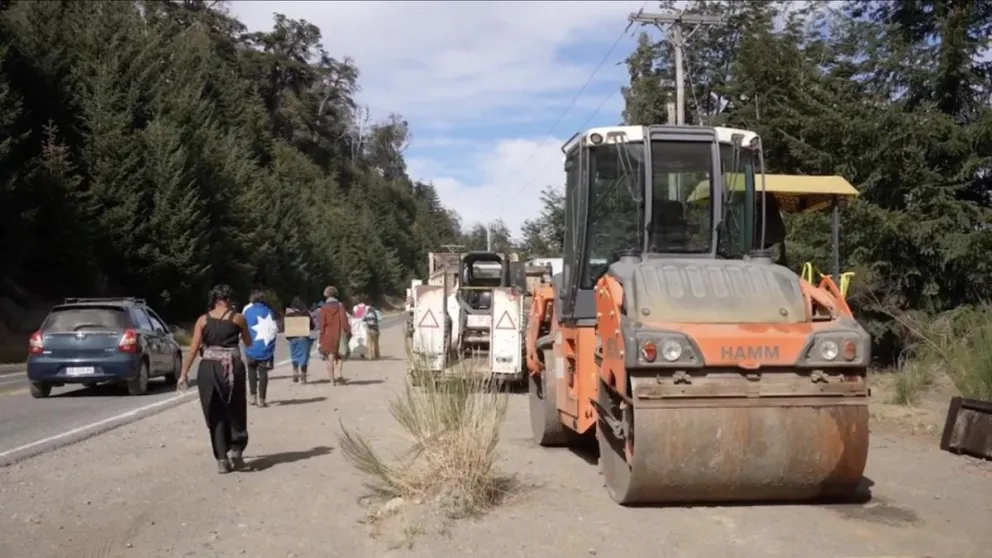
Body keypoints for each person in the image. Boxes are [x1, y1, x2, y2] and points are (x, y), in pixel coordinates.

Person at [178, 284, 254, 474]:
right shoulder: (238, 318)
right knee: (236, 408)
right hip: (232, 368)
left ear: (214, 300)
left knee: (214, 411)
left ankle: (221, 459)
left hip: (208, 368)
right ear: (229, 300)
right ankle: (236, 450)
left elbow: (194, 349)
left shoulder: (202, 320)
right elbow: (248, 342)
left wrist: (183, 373)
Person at [243, 289, 278, 407]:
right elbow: (274, 330)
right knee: (263, 373)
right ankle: (262, 399)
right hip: (264, 346)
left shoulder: (247, 312)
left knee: (251, 371)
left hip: (250, 346)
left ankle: (252, 396)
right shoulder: (269, 311)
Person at [318, 285, 351, 385]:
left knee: (330, 357)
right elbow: (344, 320)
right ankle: (339, 374)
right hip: (339, 333)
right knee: (341, 355)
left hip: (328, 334)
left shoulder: (323, 308)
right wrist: (347, 331)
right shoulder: (340, 305)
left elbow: (322, 324)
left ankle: (332, 380)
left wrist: (321, 335)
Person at [285, 296, 314, 383]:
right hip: (303, 337)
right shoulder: (305, 314)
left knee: (294, 355)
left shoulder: (289, 315)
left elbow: (285, 327)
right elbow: (312, 326)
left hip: (292, 338)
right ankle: (303, 376)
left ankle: (295, 371)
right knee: (304, 357)